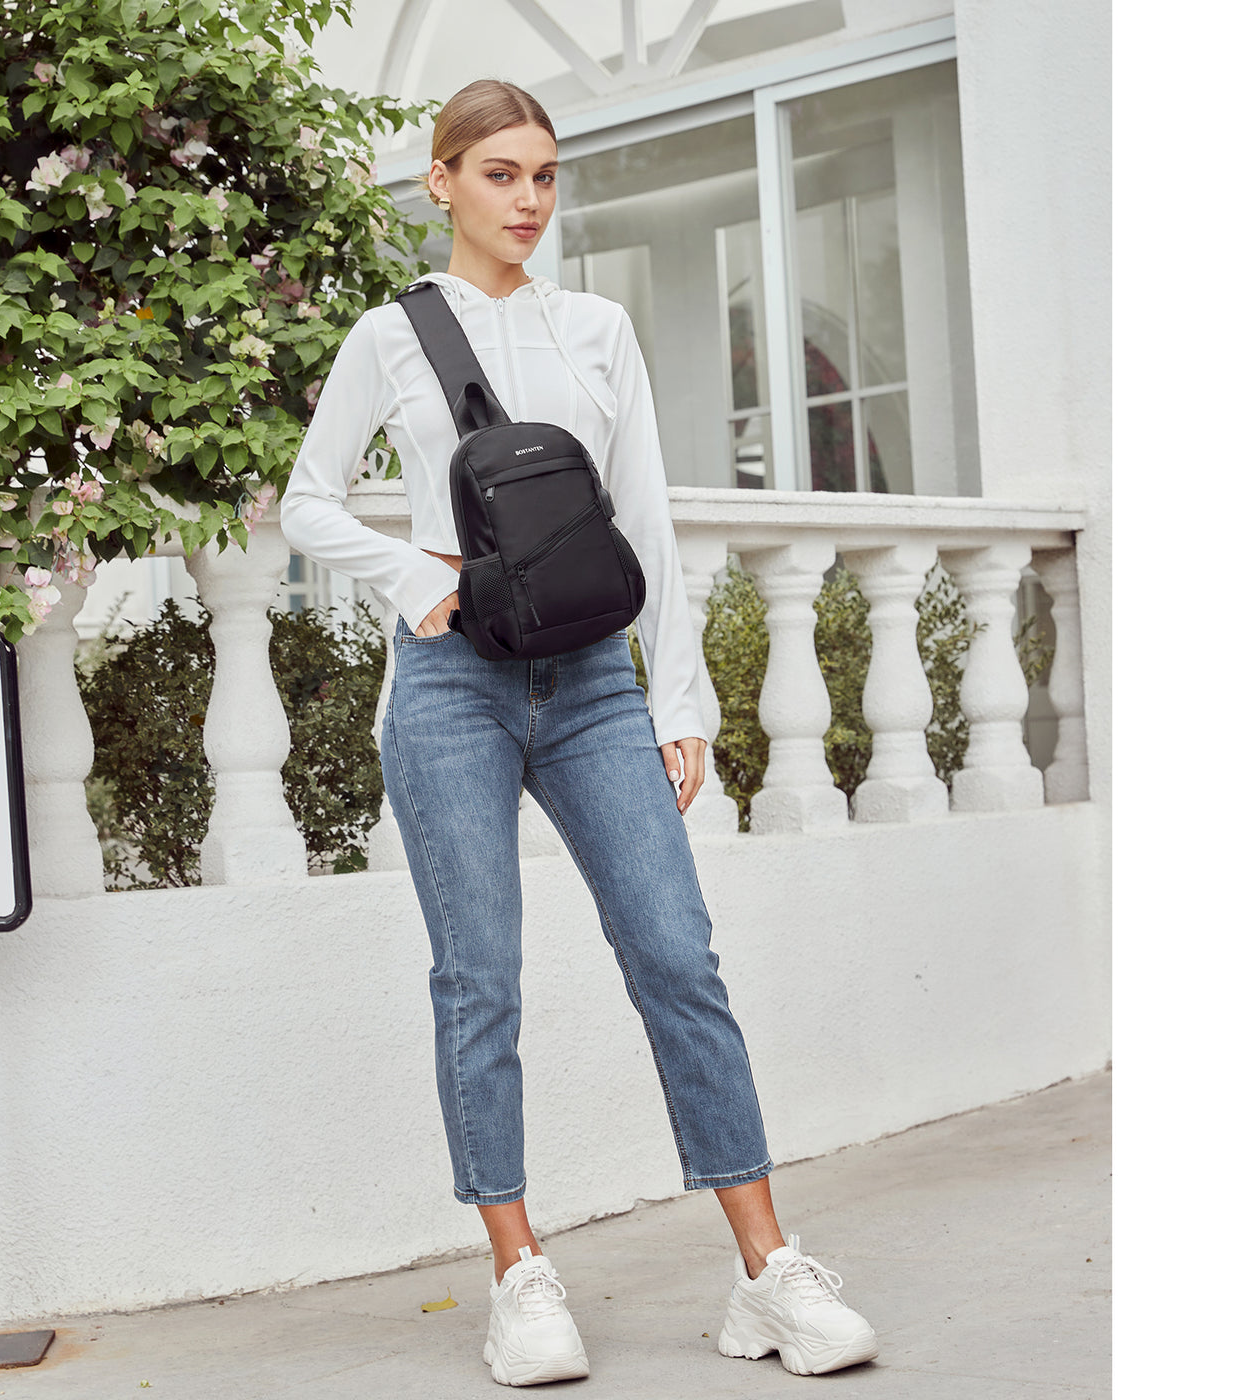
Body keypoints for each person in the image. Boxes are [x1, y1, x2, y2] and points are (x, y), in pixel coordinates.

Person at [281, 78, 878, 1388]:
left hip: (596, 680)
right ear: (442, 181)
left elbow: (646, 520)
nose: (529, 200)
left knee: (677, 955)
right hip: (451, 683)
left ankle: (768, 1268)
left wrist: (679, 700)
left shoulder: (599, 329)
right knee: (479, 978)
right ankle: (519, 1273)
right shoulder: (391, 336)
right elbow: (308, 502)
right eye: (500, 173)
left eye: (544, 174)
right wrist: (415, 579)